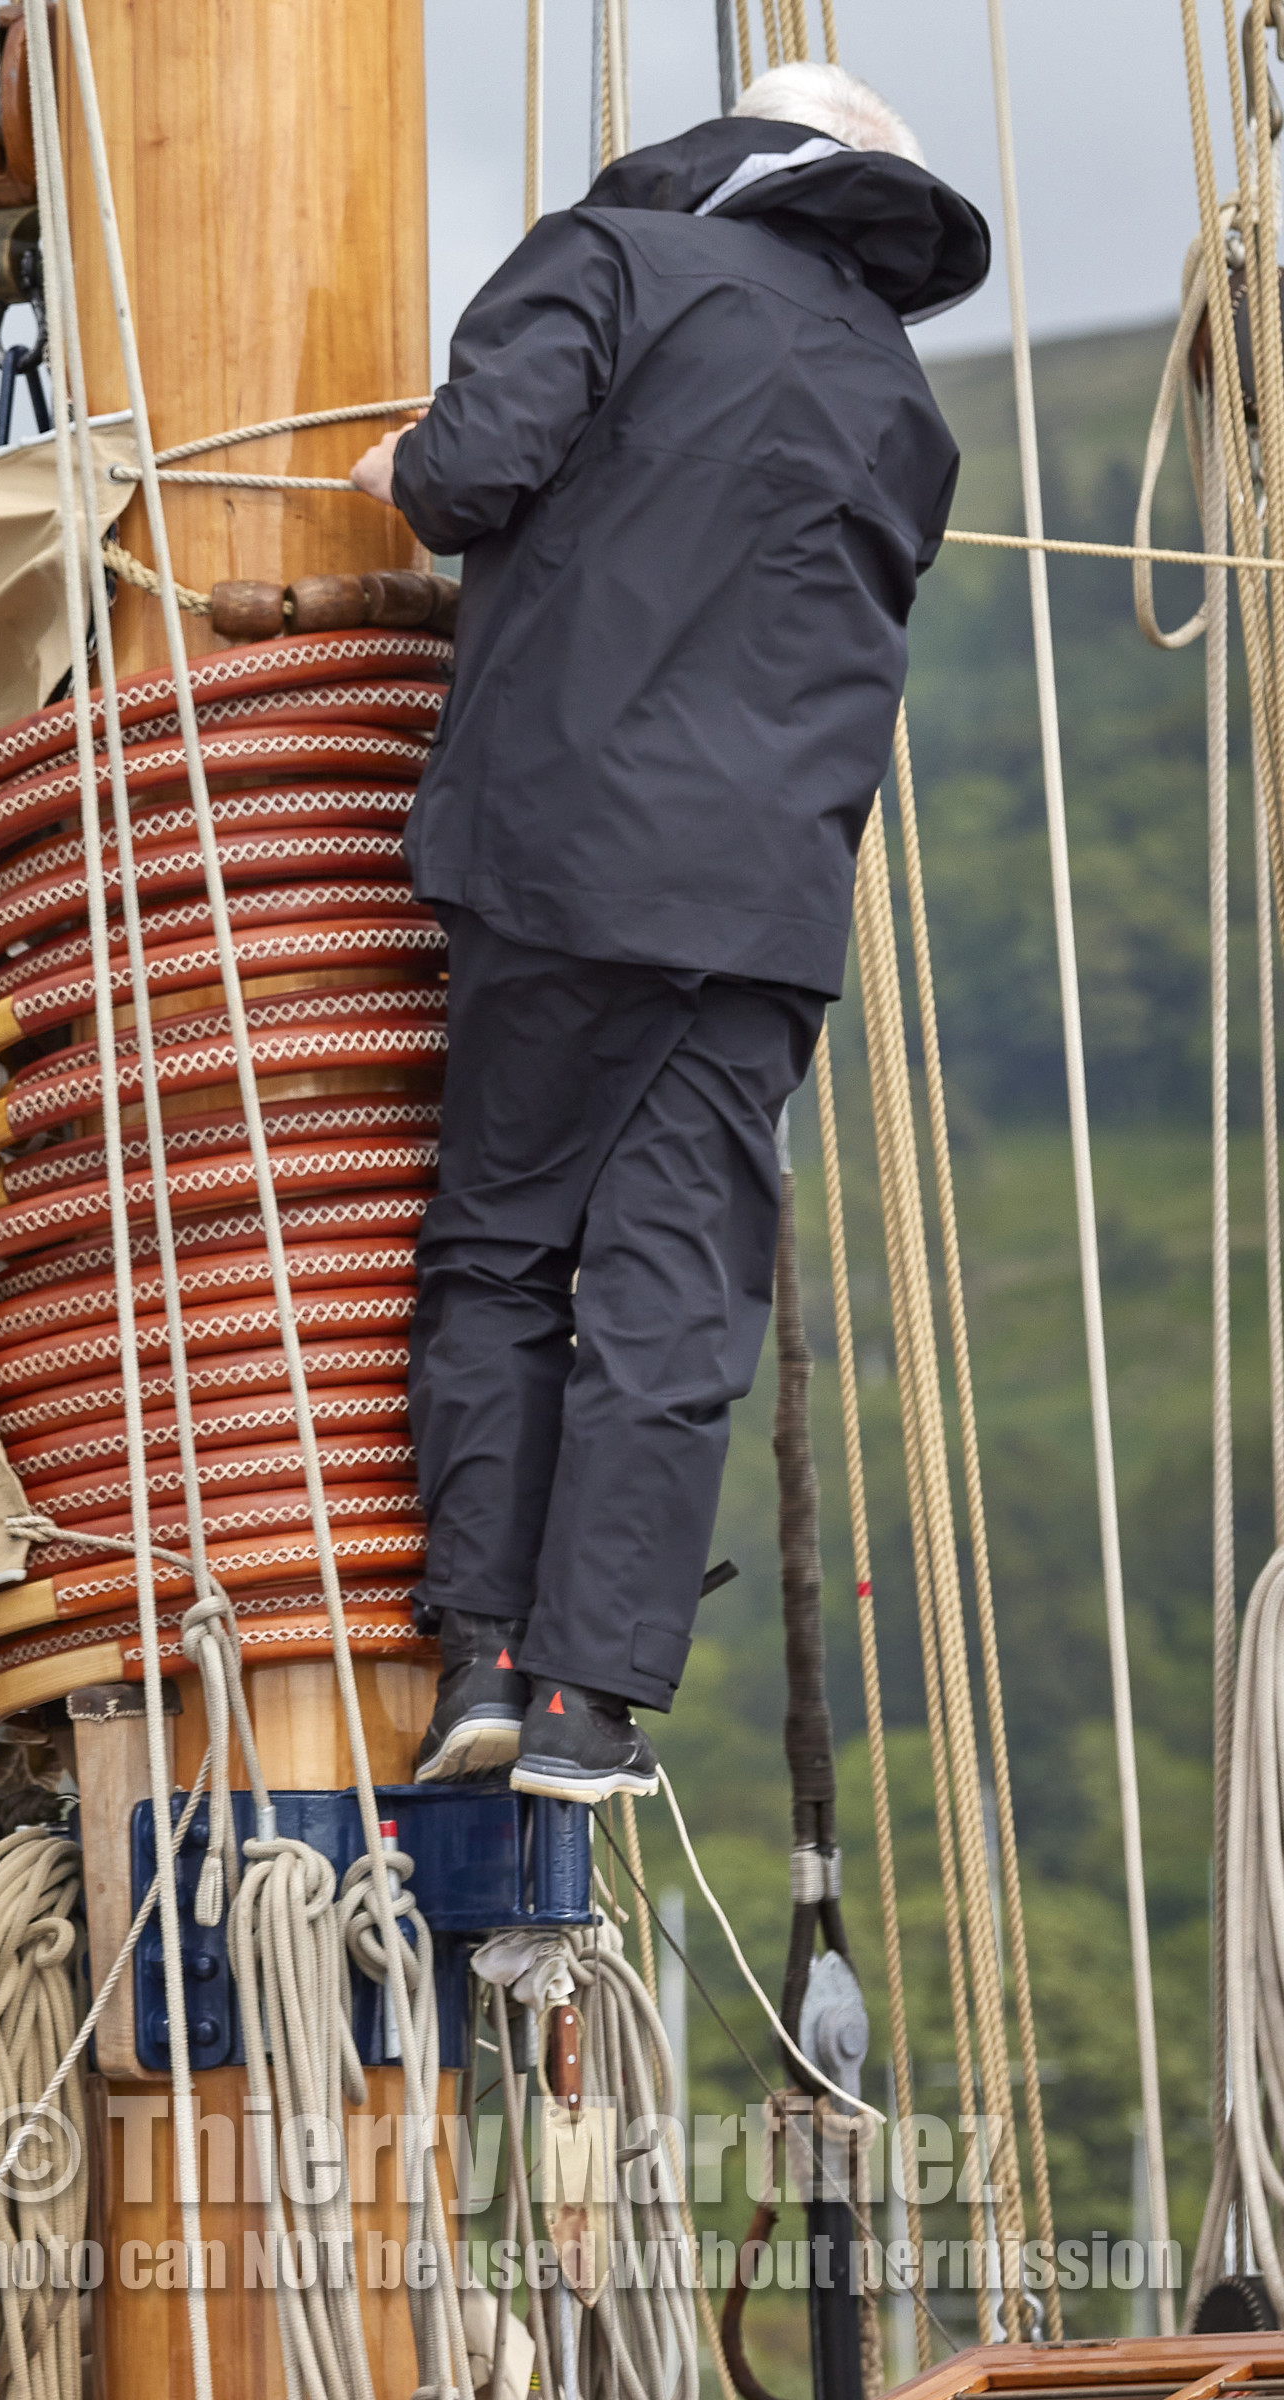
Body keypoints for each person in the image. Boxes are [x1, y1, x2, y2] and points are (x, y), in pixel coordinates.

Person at [350, 61, 988, 1804]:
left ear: (737, 152)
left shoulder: (617, 256)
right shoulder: (902, 394)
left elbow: (472, 477)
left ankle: (481, 1661)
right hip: (766, 902)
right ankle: (589, 1703)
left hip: (563, 856)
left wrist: (399, 461)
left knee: (501, 1246)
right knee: (675, 1279)